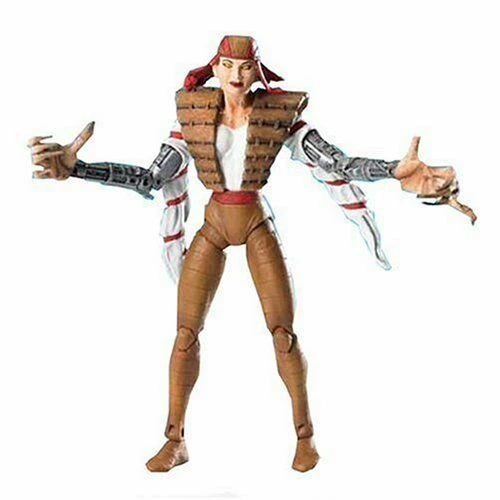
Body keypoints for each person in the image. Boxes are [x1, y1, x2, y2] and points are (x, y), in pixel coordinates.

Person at [28, 35, 475, 473]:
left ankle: (305, 437)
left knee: (283, 334)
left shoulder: (279, 116)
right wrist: (79, 169)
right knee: (185, 335)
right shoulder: (192, 116)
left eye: (245, 67)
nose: (237, 75)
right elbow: (151, 178)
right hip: (214, 223)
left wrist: (393, 170)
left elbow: (335, 163)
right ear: (216, 69)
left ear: (257, 71)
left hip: (256, 221)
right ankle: (174, 440)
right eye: (228, 66)